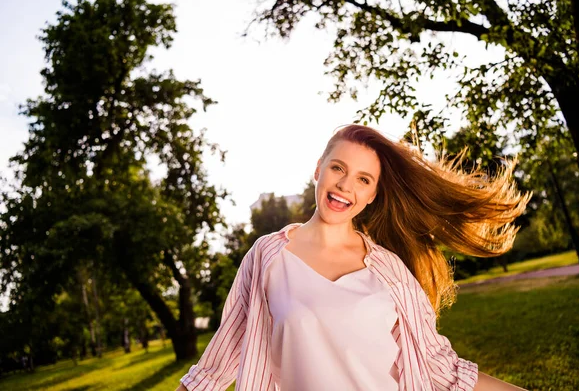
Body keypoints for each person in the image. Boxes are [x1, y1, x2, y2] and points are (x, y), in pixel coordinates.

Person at [176, 124, 530, 391]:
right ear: (318, 169)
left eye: (363, 179)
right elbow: (215, 366)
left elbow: (439, 365)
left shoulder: (389, 269)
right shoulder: (268, 256)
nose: (346, 186)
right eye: (338, 168)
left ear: (373, 194)